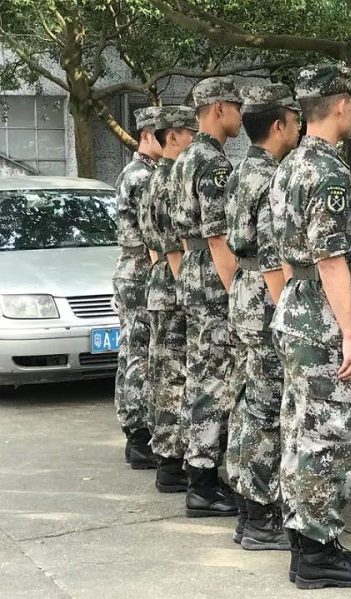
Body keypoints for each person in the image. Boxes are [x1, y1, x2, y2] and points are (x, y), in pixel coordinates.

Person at [268, 64, 351, 589]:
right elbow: (331, 258)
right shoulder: (329, 172)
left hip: (296, 304)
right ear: (341, 104)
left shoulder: (289, 166)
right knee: (328, 434)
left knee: (299, 429)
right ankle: (317, 552)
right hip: (322, 313)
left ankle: (304, 543)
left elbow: (285, 253)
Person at [224, 83, 301, 551]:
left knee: (250, 402)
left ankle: (247, 511)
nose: (300, 128)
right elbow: (274, 259)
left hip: (243, 292)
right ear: (278, 126)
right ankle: (260, 517)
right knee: (268, 409)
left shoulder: (240, 170)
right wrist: (287, 313)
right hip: (266, 296)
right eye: (294, 120)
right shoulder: (272, 177)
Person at [170, 77, 242, 518]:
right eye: (236, 106)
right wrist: (236, 293)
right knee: (214, 379)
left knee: (200, 373)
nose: (240, 114)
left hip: (194, 271)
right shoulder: (214, 163)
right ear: (218, 108)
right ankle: (203, 483)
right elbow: (218, 238)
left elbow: (184, 232)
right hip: (214, 277)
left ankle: (199, 473)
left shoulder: (183, 159)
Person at [139, 105, 198, 493]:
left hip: (161, 286)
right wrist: (187, 292)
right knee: (174, 377)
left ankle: (167, 458)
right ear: (172, 136)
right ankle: (171, 463)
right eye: (189, 132)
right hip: (174, 290)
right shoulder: (168, 180)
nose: (194, 139)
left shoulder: (155, 178)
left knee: (165, 372)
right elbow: (174, 248)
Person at [113, 106, 162, 469]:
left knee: (131, 349)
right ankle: (140, 435)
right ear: (146, 135)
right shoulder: (143, 177)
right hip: (141, 270)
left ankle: (134, 433)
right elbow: (153, 235)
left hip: (131, 269)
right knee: (141, 353)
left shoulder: (134, 171)